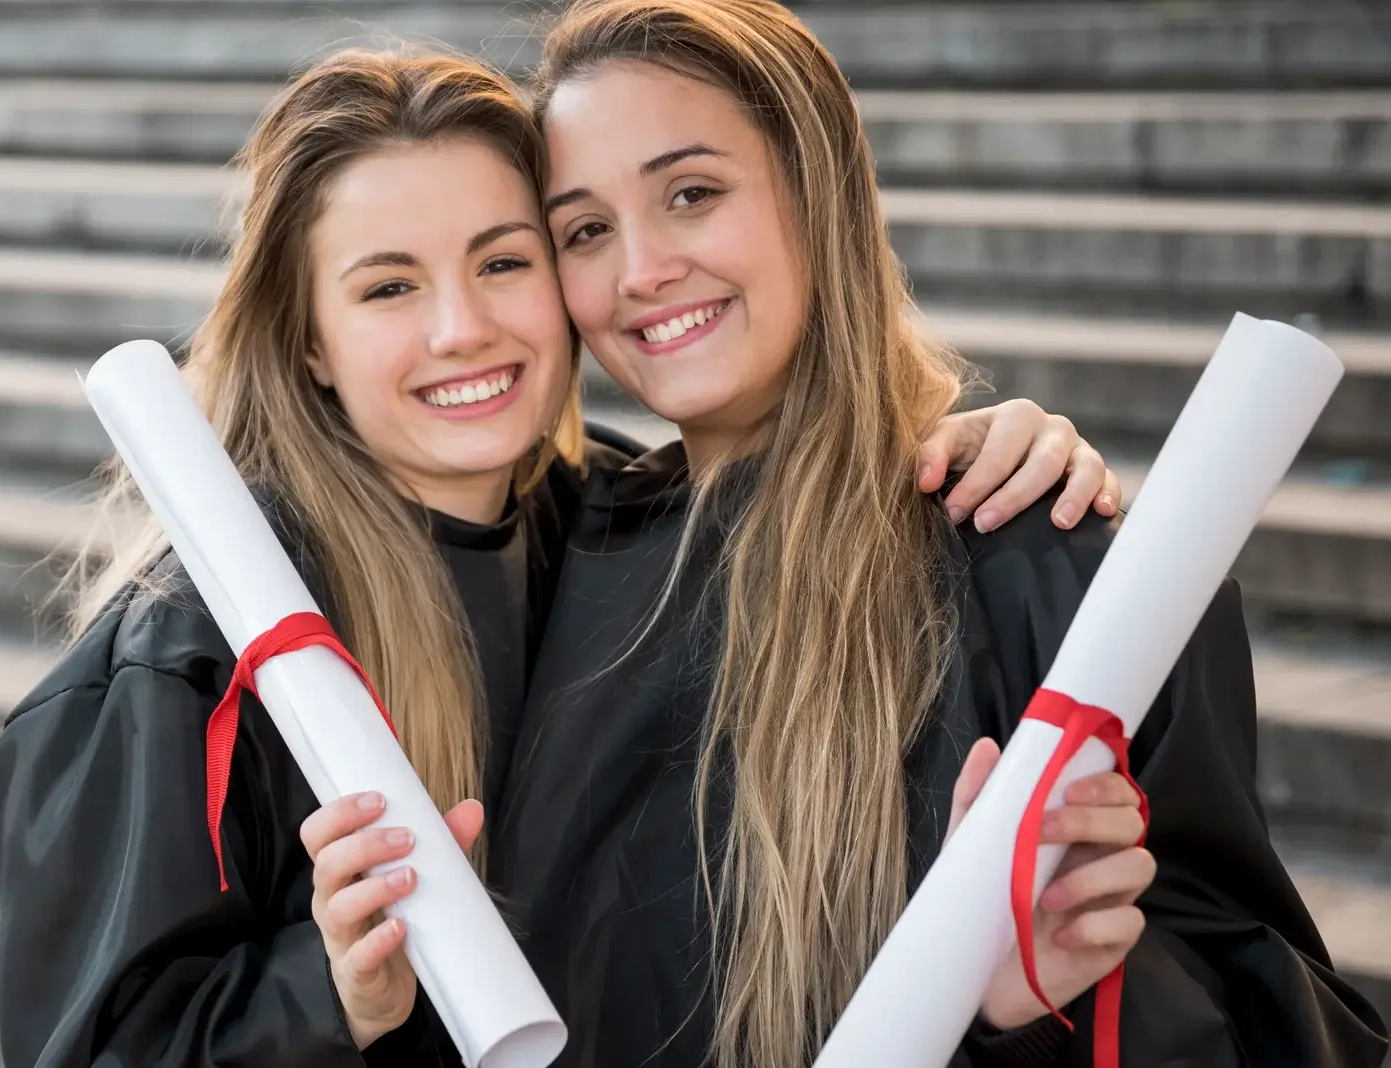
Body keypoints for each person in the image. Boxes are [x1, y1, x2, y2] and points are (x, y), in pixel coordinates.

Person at [0, 46, 1120, 1068]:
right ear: (308, 344)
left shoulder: (629, 539)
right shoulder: (183, 672)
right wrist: (327, 994)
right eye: (387, 286)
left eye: (506, 260)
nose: (460, 328)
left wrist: (979, 435)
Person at [325, 2, 1387, 1067]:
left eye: (691, 194)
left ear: (814, 190)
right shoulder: (557, 550)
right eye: (585, 230)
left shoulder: (1049, 569)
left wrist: (1046, 1006)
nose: (641, 268)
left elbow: (1286, 1027)